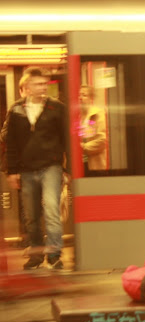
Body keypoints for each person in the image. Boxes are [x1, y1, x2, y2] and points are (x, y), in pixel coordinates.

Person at [5, 67, 67, 270]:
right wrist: (11, 171)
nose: (43, 88)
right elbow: (11, 142)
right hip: (26, 169)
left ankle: (54, 254)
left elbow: (67, 139)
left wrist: (69, 170)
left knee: (51, 210)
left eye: (44, 84)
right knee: (31, 216)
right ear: (26, 88)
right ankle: (36, 254)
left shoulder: (57, 108)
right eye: (38, 84)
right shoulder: (16, 110)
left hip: (51, 166)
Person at [78, 85, 107, 172]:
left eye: (84, 95)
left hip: (94, 163)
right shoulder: (76, 116)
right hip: (79, 163)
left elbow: (102, 139)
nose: (80, 98)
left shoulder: (98, 114)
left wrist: (83, 148)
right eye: (79, 95)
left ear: (91, 98)